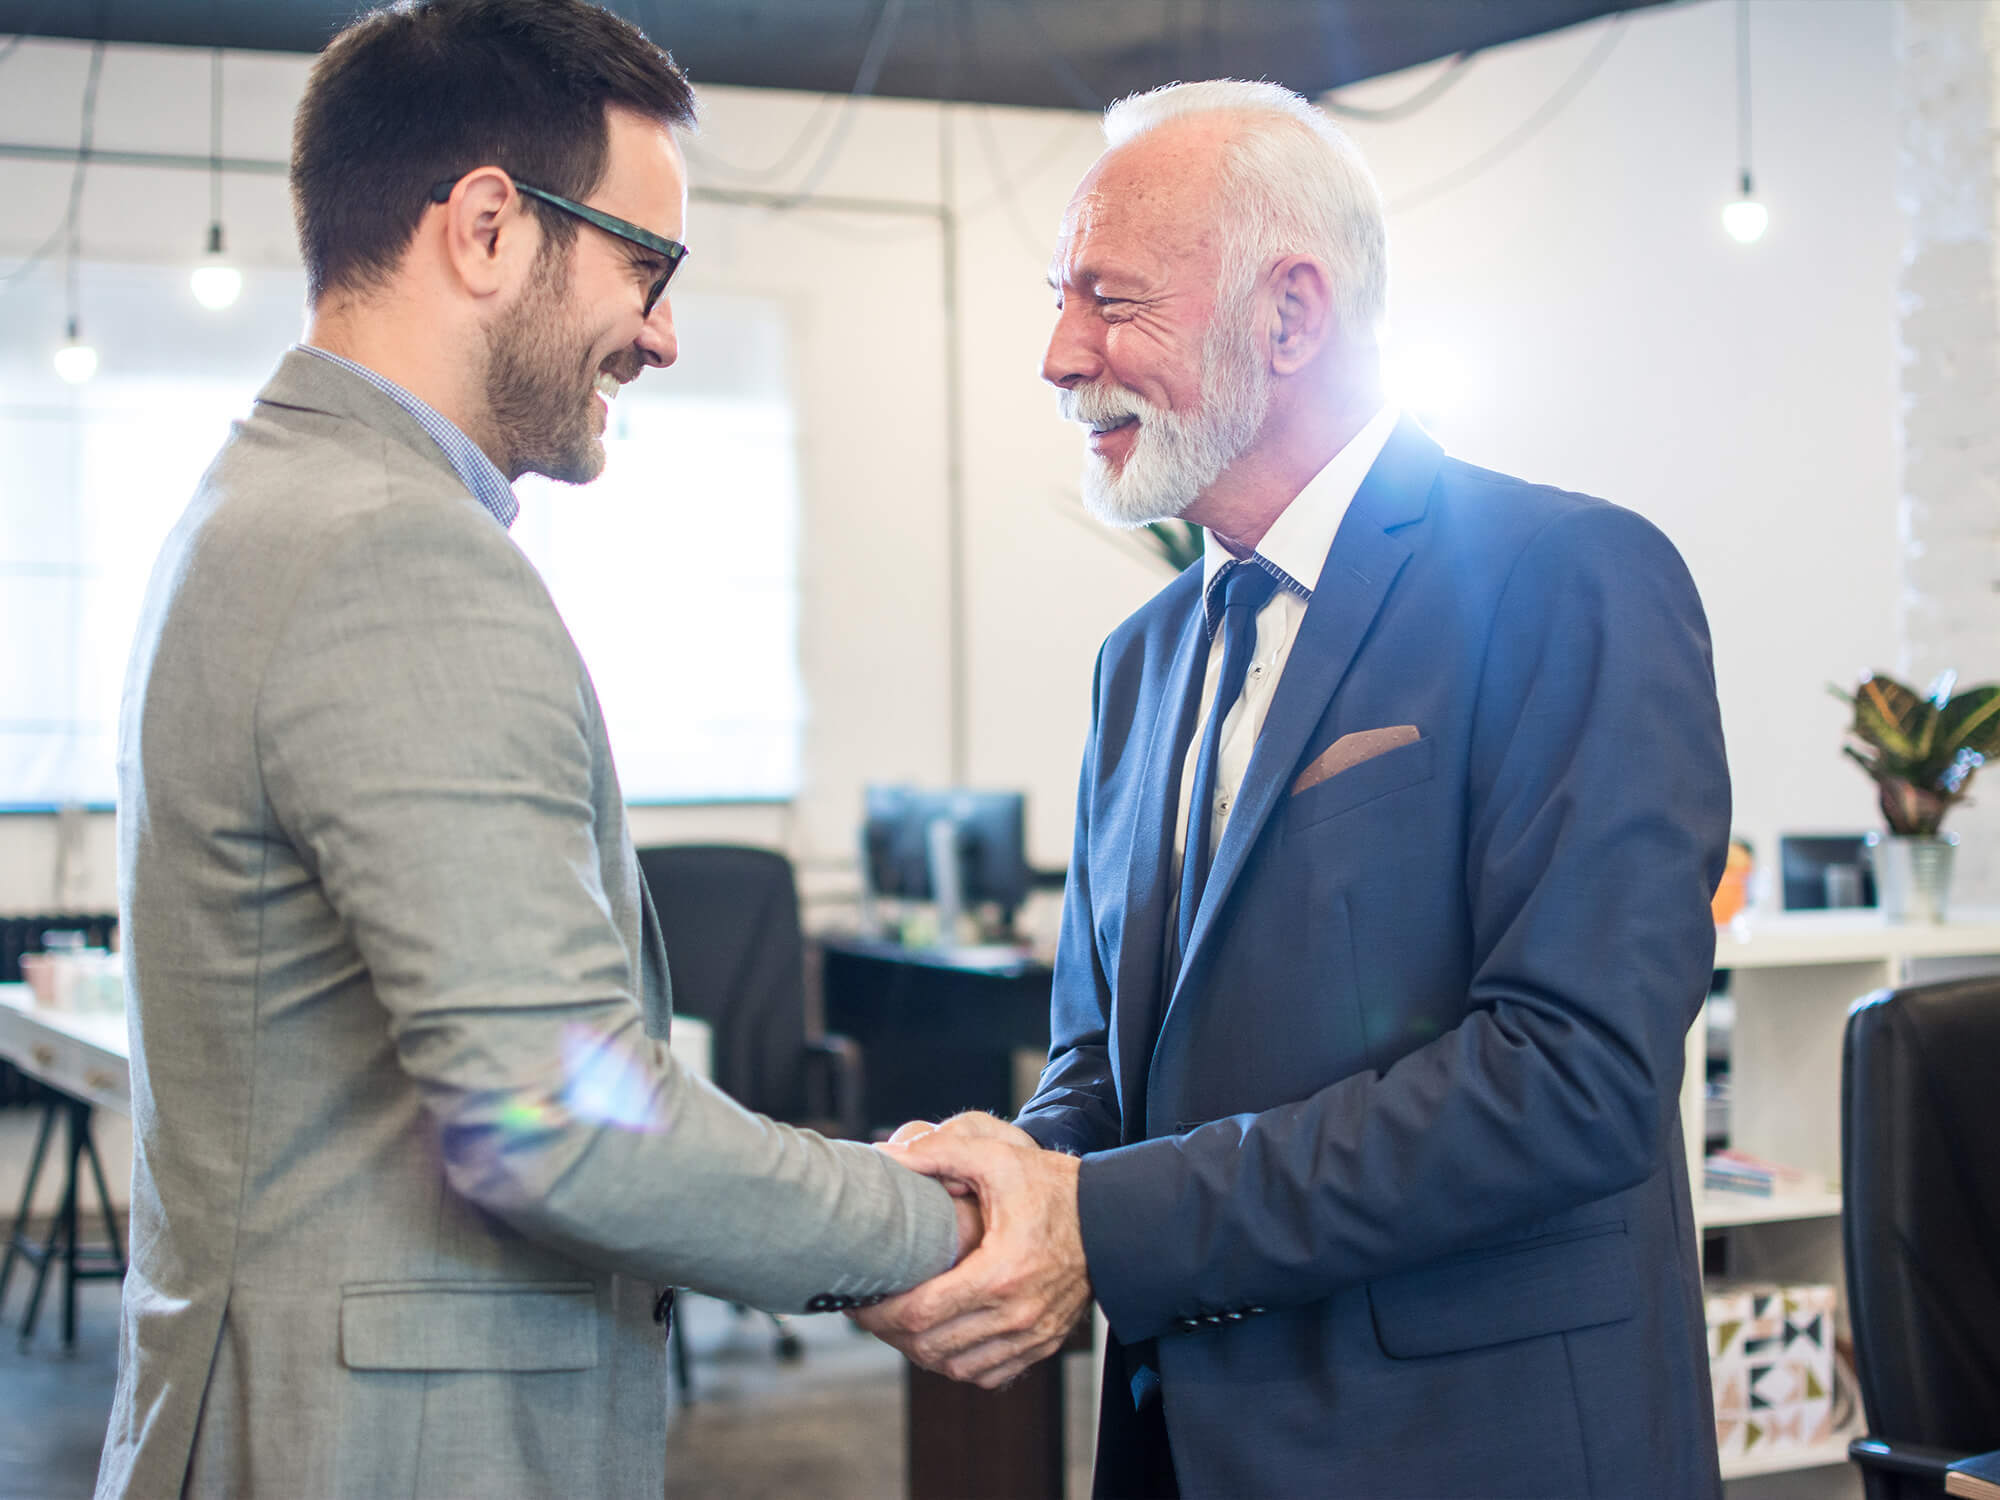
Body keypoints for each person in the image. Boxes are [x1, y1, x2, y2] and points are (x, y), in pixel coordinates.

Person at [99, 4, 971, 1497]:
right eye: (648, 264)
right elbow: (563, 1118)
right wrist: (926, 1221)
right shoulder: (393, 551)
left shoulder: (265, 500)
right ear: (490, 228)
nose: (666, 333)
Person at [855, 79, 1729, 1500]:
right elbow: (1108, 1066)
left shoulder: (1568, 580)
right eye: (1059, 298)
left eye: (1109, 298)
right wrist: (1007, 1182)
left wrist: (1110, 1221)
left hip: (1474, 1453)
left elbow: (1572, 1078)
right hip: (1185, 1446)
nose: (1059, 353)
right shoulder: (1138, 664)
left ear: (1291, 315)